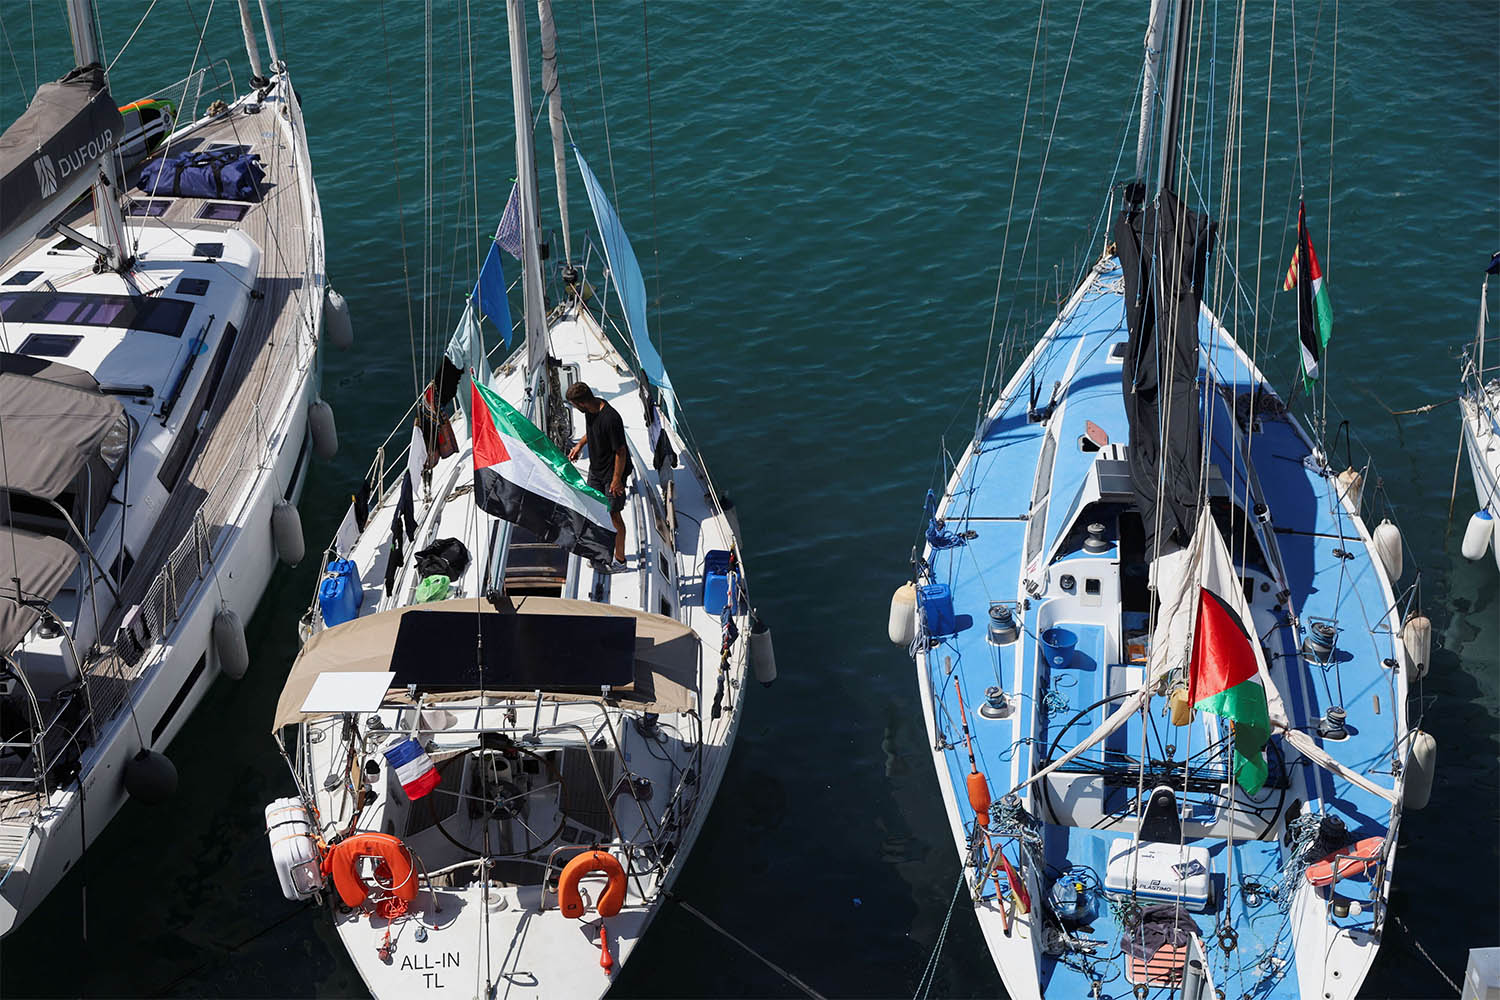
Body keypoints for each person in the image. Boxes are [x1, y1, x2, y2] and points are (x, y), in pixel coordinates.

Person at [565, 382, 629, 566]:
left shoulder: (610, 418)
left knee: (614, 515)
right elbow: (591, 432)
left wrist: (617, 480)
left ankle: (620, 560)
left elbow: (621, 452)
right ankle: (601, 548)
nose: (575, 408)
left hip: (612, 474)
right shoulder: (591, 411)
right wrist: (580, 445)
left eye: (574, 405)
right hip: (596, 470)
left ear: (581, 403)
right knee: (594, 508)